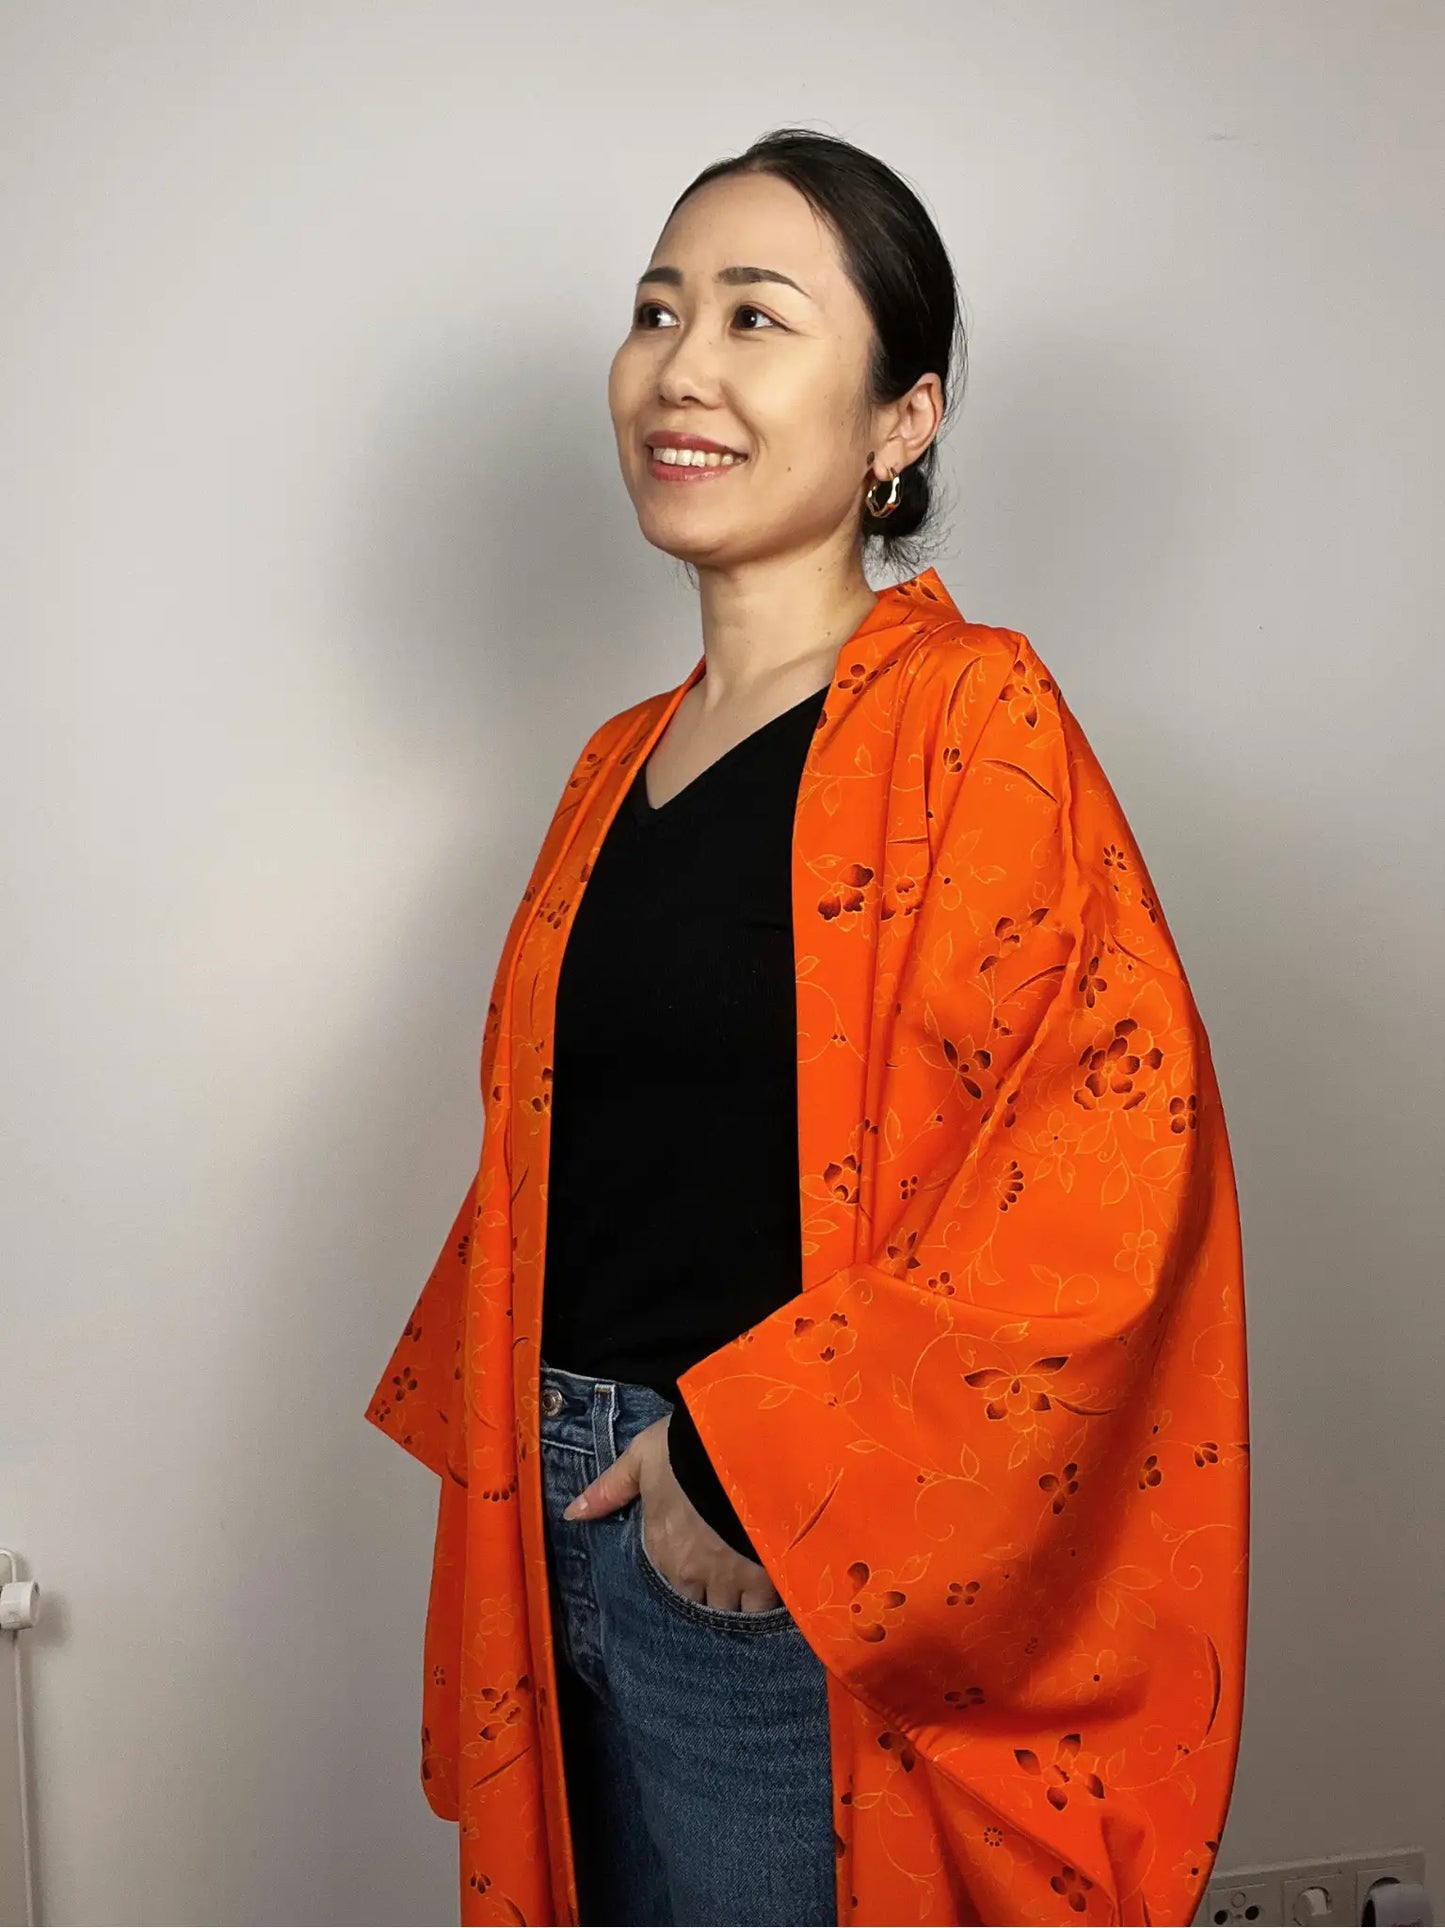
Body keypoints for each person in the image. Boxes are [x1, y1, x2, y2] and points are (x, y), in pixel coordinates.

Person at [366, 128, 1249, 1928]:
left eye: (754, 317)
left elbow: (1095, 1161)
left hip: (774, 1548)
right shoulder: (611, 764)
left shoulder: (972, 720)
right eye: (655, 312)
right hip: (560, 1504)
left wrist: (740, 1471)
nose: (680, 367)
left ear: (897, 423)